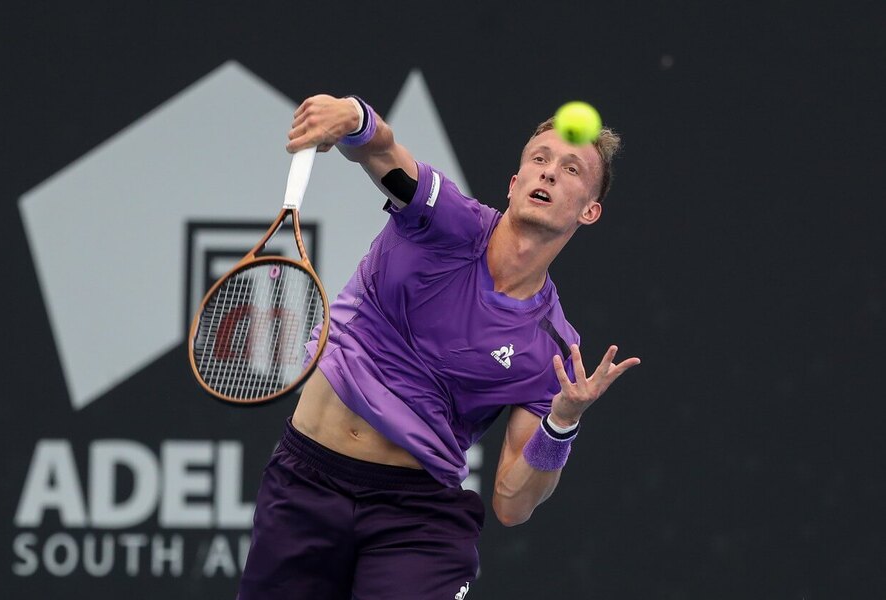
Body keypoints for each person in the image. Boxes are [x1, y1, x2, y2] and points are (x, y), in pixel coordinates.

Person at [237, 94, 640, 600]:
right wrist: (354, 117)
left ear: (590, 210)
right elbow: (384, 154)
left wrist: (561, 423)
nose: (549, 173)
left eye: (571, 168)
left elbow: (513, 504)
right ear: (514, 185)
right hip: (307, 482)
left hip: (414, 518)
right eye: (539, 159)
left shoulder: (553, 348)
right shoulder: (446, 220)